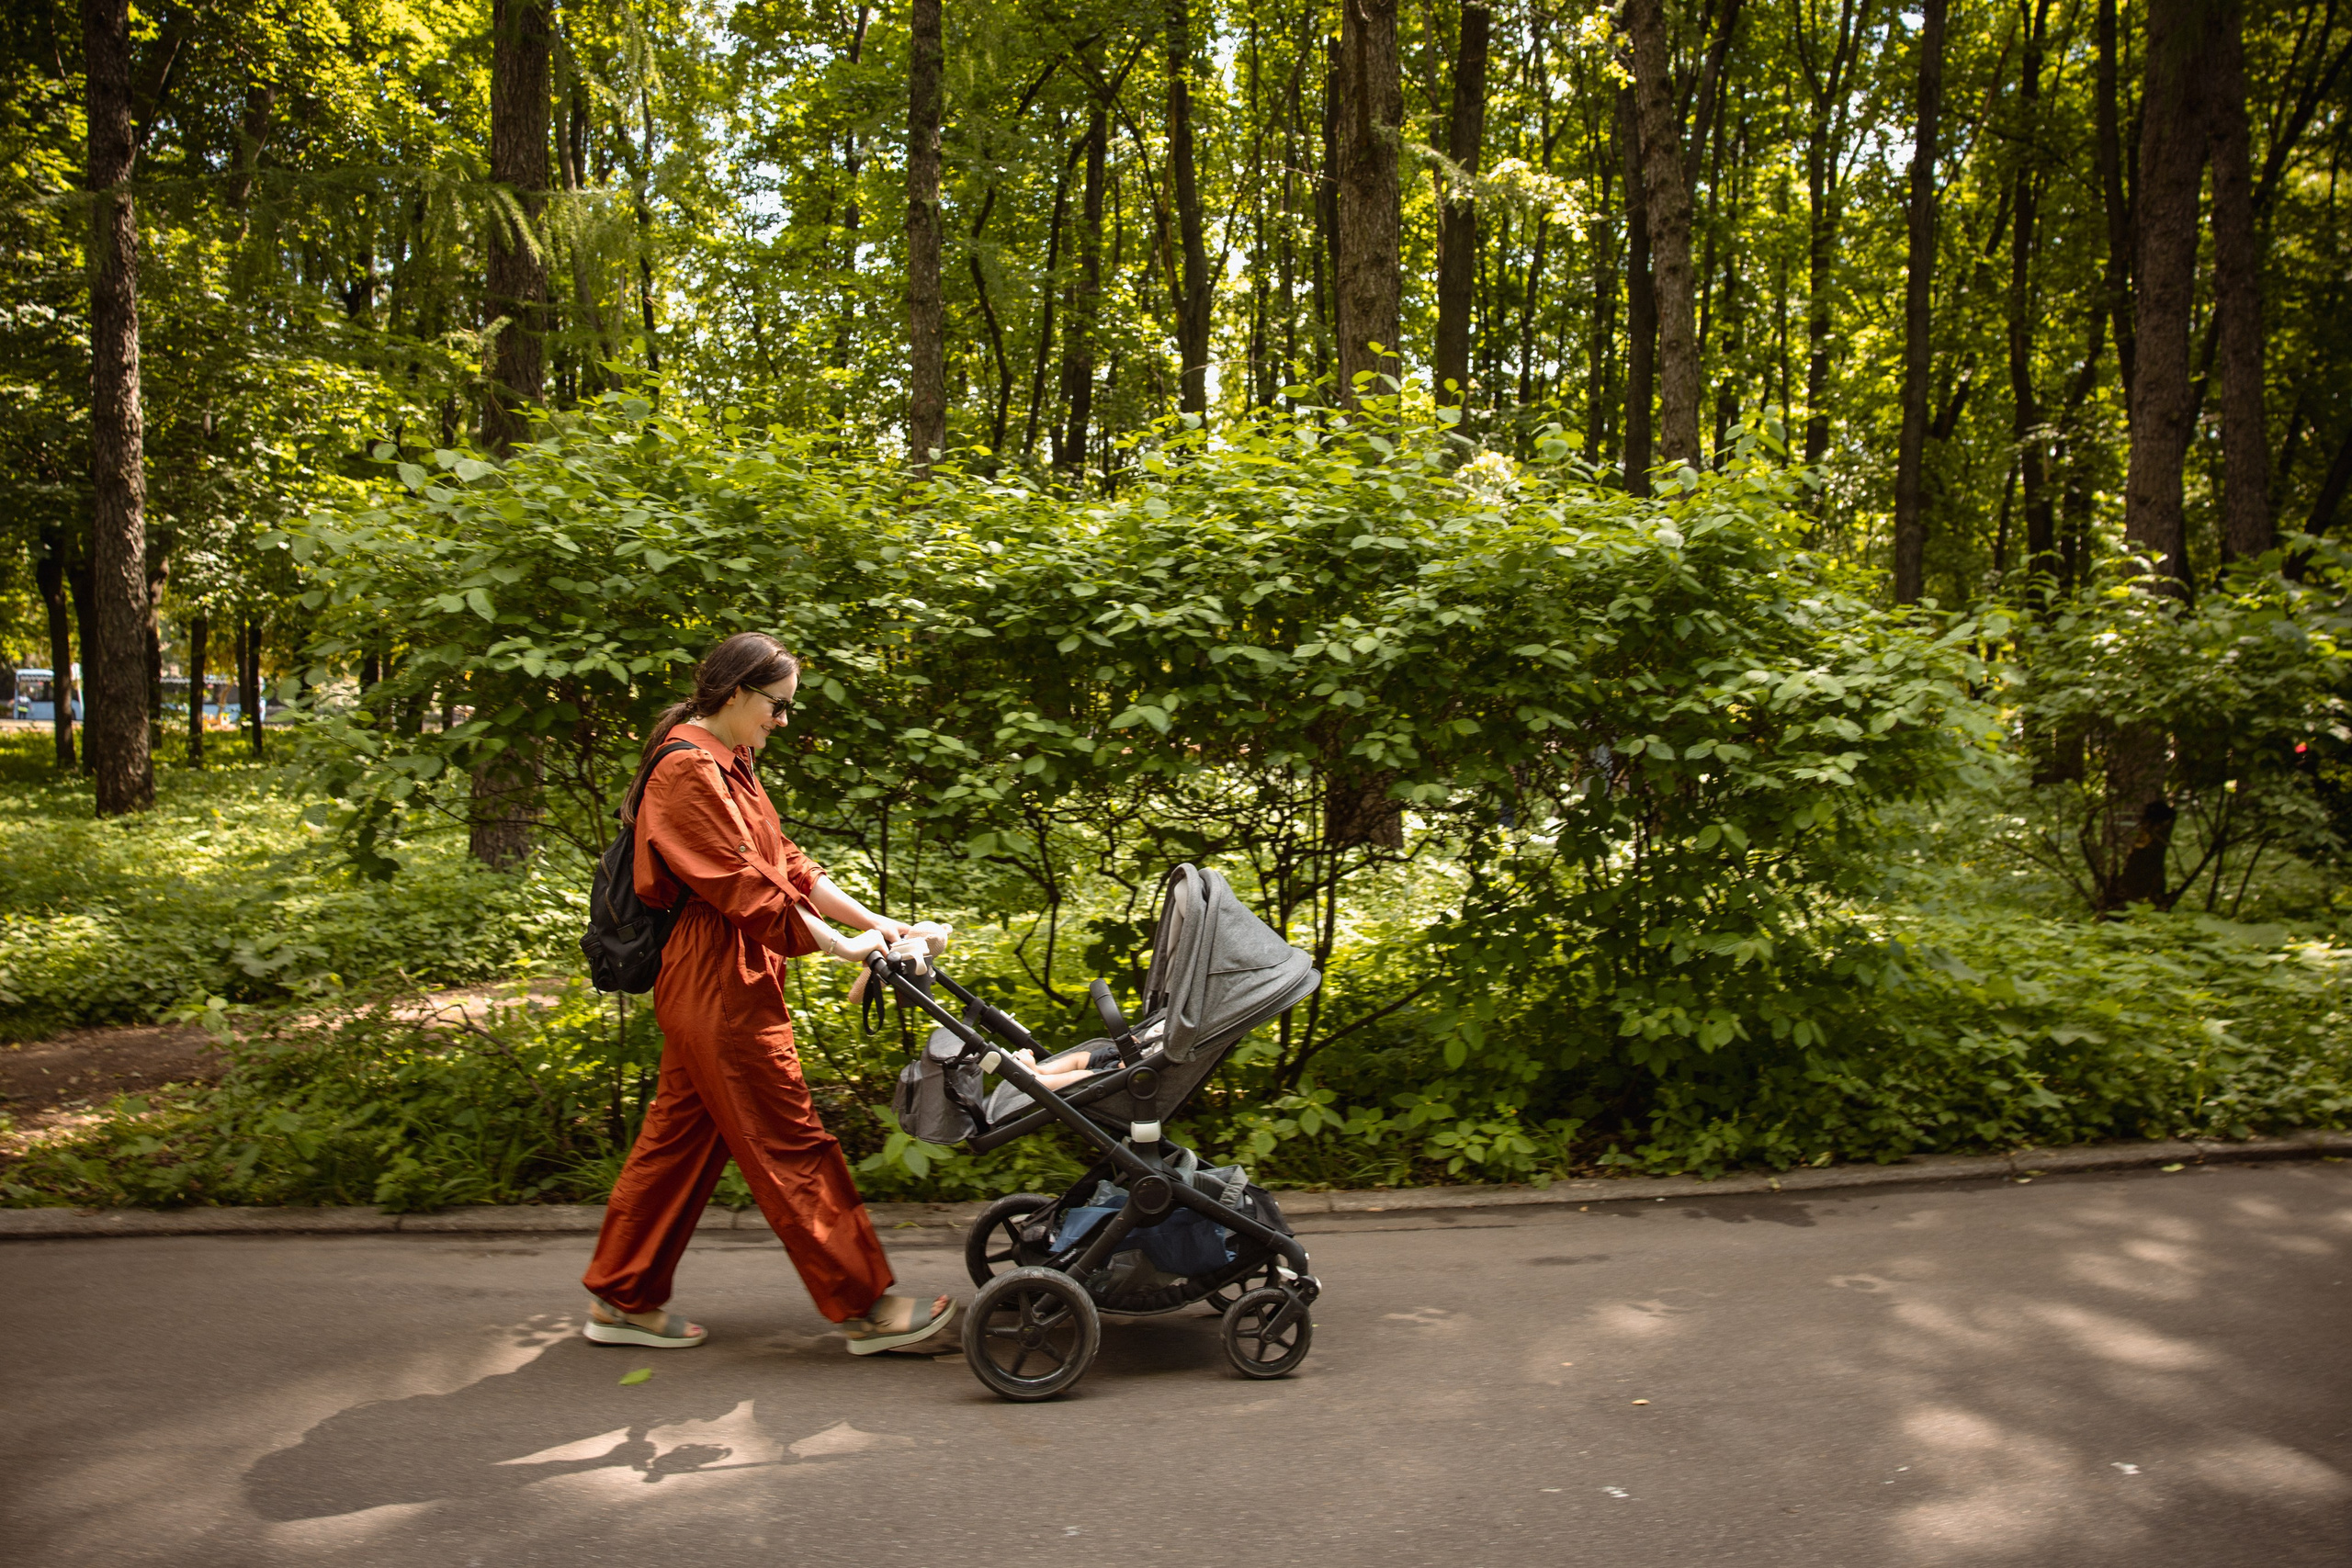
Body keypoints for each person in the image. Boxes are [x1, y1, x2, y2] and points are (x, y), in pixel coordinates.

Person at [580, 632, 959, 1356]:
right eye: (777, 706)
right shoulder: (687, 770)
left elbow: (786, 863)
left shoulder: (733, 761)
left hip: (727, 968)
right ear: (736, 694)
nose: (783, 720)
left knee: (680, 1141)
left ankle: (622, 1294)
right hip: (717, 975)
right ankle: (867, 1307)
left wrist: (877, 923)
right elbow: (739, 885)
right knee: (790, 1138)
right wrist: (836, 943)